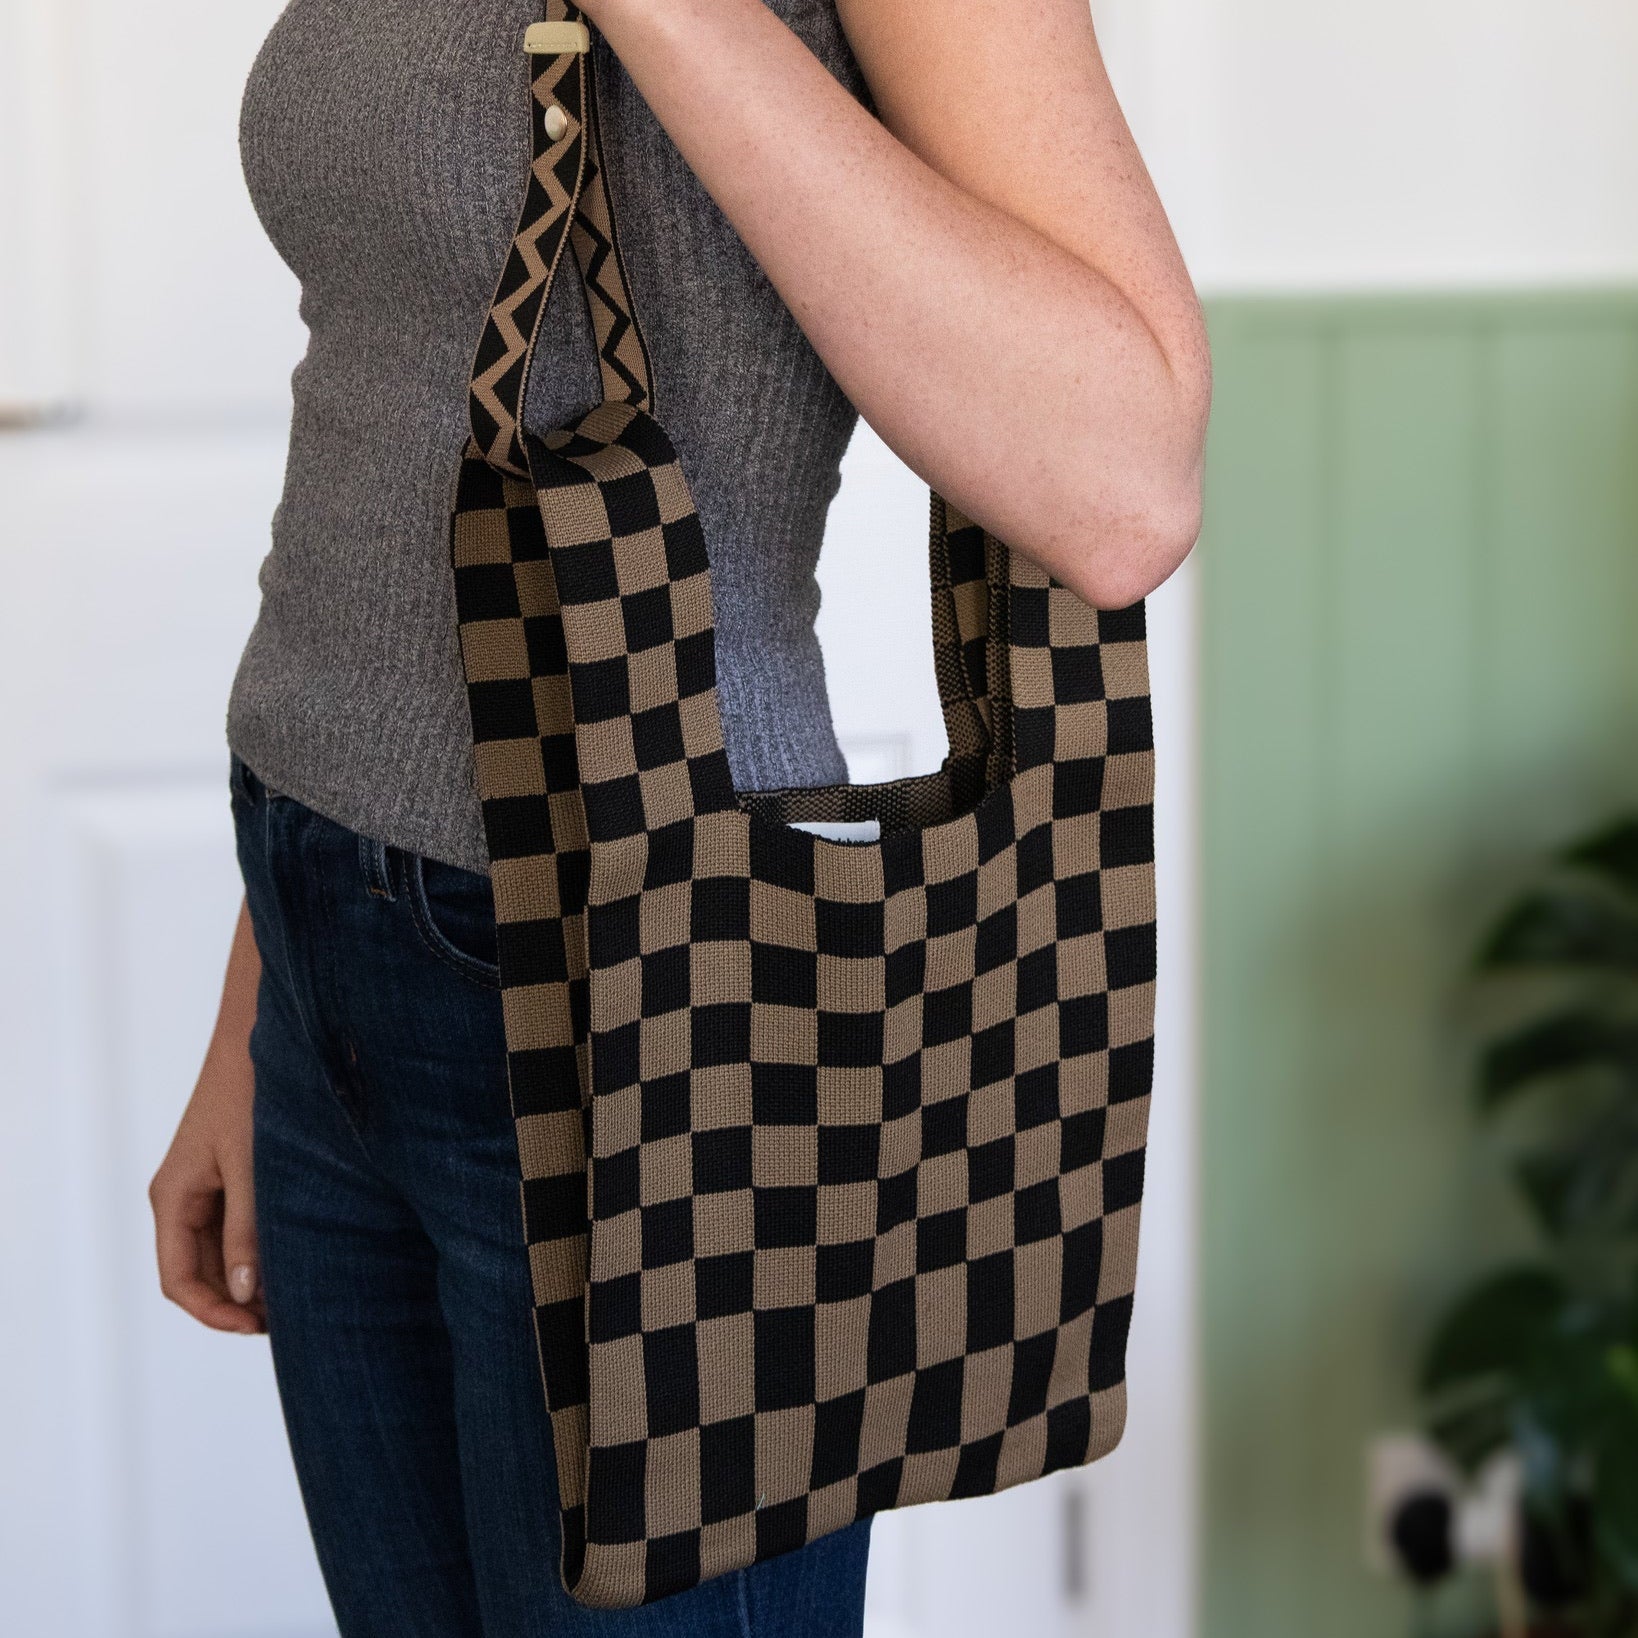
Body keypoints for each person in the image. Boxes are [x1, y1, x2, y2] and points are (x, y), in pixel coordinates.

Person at [148, 0, 1211, 1632]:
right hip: (328, 951)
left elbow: (1119, 481)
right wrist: (267, 997)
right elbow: (406, 413)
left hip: (650, 993)